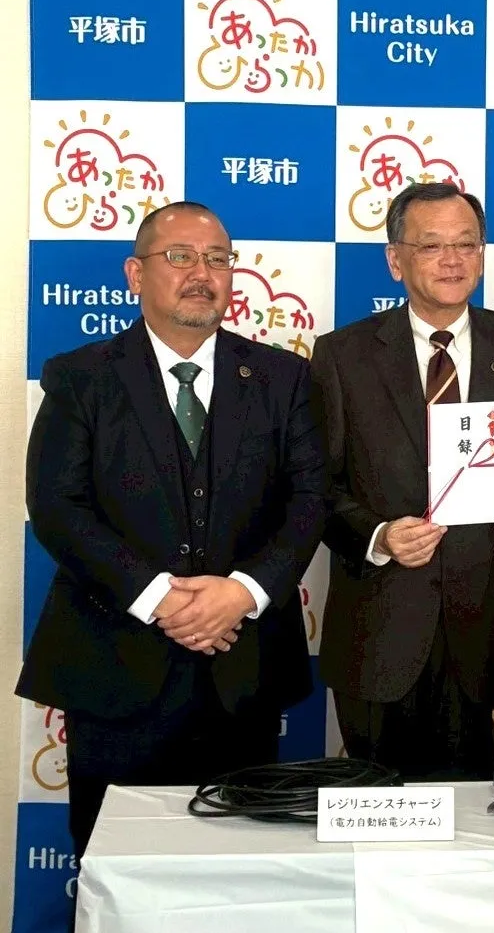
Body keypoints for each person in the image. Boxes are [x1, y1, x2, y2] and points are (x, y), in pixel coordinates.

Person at [18, 201, 328, 858]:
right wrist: (161, 598)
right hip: (115, 668)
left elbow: (309, 500)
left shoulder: (282, 378)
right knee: (116, 868)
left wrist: (242, 592)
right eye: (179, 256)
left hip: (242, 668)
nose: (201, 273)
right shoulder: (80, 376)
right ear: (136, 274)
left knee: (239, 867)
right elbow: (56, 506)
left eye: (217, 259)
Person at [311, 181, 494, 782]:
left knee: (487, 810)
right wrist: (378, 537)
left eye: (467, 244)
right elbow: (315, 490)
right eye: (431, 246)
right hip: (380, 627)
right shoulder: (342, 356)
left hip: (488, 626)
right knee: (379, 804)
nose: (452, 261)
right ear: (395, 259)